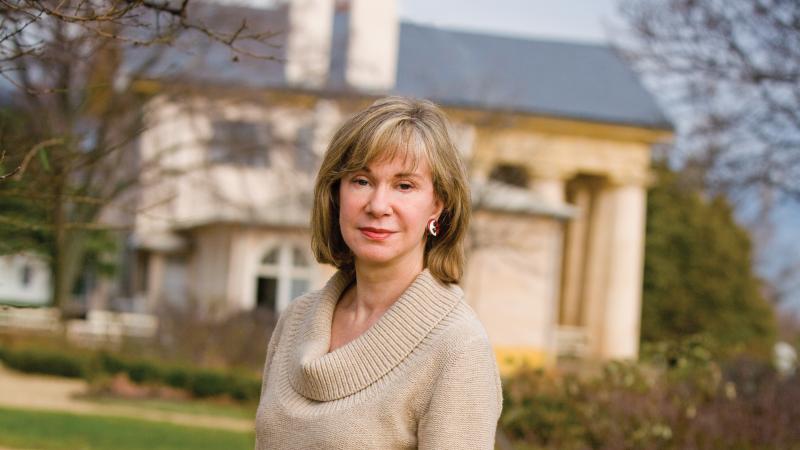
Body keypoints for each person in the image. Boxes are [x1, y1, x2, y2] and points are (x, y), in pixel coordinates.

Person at [255, 96, 503, 449]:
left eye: (404, 186)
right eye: (362, 181)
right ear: (336, 193)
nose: (378, 206)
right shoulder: (296, 320)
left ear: (438, 204)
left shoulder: (457, 349)